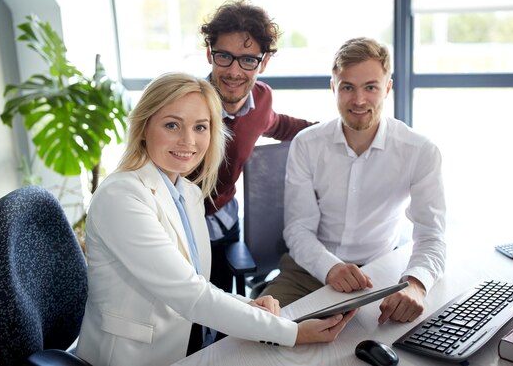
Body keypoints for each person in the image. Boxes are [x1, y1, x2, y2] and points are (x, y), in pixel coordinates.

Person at [76, 72, 356, 366]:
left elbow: (195, 285)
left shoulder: (188, 193)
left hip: (190, 344)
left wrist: (250, 305)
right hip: (135, 356)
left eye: (201, 127)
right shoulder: (122, 197)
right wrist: (292, 332)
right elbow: (190, 294)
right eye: (172, 125)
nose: (188, 140)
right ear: (144, 128)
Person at [261, 37, 447, 324]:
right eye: (348, 87)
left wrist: (415, 284)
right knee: (258, 331)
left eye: (370, 87)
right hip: (308, 270)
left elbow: (431, 234)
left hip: (378, 273)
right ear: (333, 87)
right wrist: (330, 268)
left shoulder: (420, 151)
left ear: (387, 88)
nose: (359, 100)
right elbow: (299, 229)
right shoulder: (307, 144)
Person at [197, 0, 315, 293]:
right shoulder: (190, 104)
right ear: (210, 55)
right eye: (224, 56)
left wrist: (334, 131)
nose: (235, 71)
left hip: (225, 221)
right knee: (188, 324)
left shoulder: (261, 99)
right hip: (182, 227)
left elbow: (279, 124)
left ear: (263, 62)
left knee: (224, 313)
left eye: (248, 59)